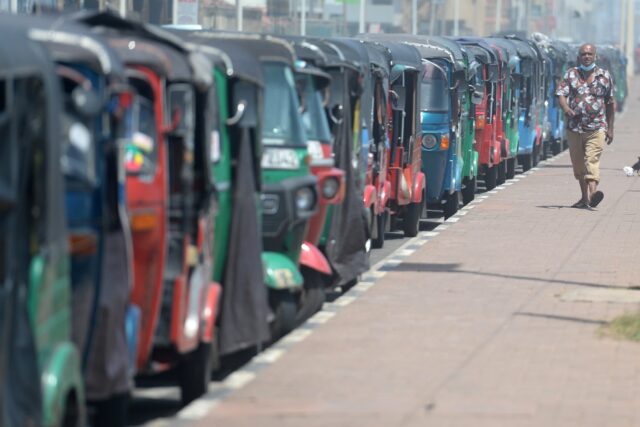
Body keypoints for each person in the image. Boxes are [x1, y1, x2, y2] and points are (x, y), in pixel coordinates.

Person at [557, 43, 615, 210]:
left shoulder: (604, 76)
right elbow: (561, 94)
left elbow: (610, 103)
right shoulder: (571, 74)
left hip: (596, 127)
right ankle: (584, 199)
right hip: (575, 128)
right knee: (579, 166)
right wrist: (566, 108)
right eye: (583, 54)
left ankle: (594, 193)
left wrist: (610, 129)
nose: (587, 57)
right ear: (579, 57)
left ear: (595, 56)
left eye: (590, 54)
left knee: (592, 160)